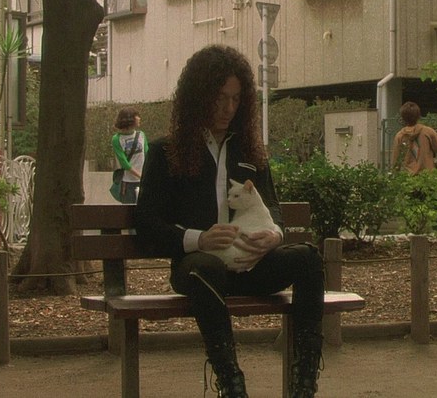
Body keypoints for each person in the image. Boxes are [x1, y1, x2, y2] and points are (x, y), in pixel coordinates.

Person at [134, 45, 325, 398]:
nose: (228, 108)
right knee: (205, 268)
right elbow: (146, 222)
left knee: (309, 259)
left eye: (236, 99)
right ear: (198, 97)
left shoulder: (250, 150)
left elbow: (272, 207)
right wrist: (199, 239)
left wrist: (274, 235)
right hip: (200, 270)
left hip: (252, 267)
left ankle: (305, 382)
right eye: (220, 98)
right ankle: (232, 384)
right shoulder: (166, 151)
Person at [390, 101, 437, 175]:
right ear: (418, 116)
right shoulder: (428, 132)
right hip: (427, 177)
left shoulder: (400, 136)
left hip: (408, 178)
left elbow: (396, 160)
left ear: (403, 118)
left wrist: (394, 176)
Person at [112, 106, 148, 203]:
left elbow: (147, 154)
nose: (139, 118)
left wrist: (146, 176)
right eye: (137, 116)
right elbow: (124, 163)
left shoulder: (141, 135)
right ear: (130, 119)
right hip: (128, 183)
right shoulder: (117, 139)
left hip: (143, 181)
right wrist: (140, 176)